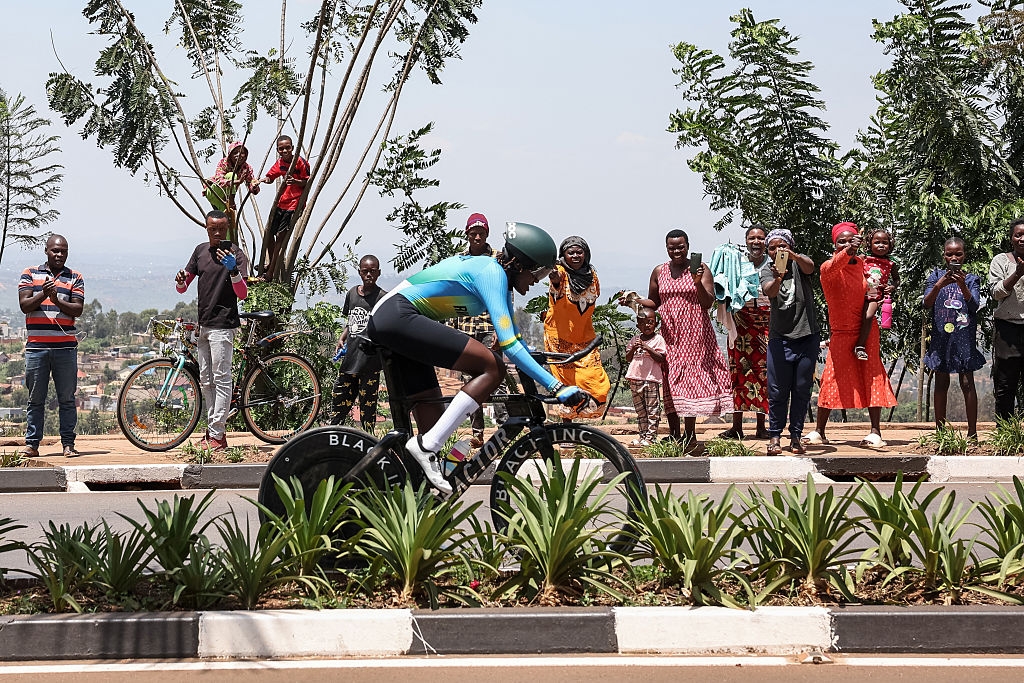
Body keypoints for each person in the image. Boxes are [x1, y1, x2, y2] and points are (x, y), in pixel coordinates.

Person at [367, 222, 588, 494]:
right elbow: (509, 346)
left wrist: (550, 362)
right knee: (491, 368)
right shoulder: (491, 273)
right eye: (537, 272)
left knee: (434, 425)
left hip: (398, 321)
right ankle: (426, 447)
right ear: (519, 264)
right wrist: (557, 387)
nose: (536, 281)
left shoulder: (501, 282)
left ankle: (420, 493)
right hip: (396, 316)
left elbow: (514, 341)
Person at [627, 229, 732, 447]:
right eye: (672, 247)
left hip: (695, 332)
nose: (676, 251)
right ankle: (675, 432)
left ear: (688, 246)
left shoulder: (702, 270)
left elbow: (707, 303)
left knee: (689, 380)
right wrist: (633, 300)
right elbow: (654, 302)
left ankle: (690, 434)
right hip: (668, 331)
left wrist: (696, 282)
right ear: (666, 248)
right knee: (668, 378)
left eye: (680, 247)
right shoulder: (659, 271)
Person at [804, 222, 897, 447]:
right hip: (841, 332)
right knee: (831, 377)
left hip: (866, 331)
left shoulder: (865, 266)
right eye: (841, 241)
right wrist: (849, 250)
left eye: (851, 240)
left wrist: (888, 289)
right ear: (834, 244)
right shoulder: (829, 267)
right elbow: (837, 263)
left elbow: (879, 283)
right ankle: (819, 431)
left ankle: (875, 432)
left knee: (872, 374)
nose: (846, 244)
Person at [175, 210, 250, 452]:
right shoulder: (200, 252)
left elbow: (243, 293)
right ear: (206, 229)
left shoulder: (237, 255)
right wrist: (180, 279)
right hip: (204, 324)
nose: (217, 233)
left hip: (223, 326)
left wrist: (234, 271)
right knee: (206, 380)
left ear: (228, 228)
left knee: (221, 379)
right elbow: (182, 287)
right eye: (212, 229)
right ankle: (213, 432)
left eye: (221, 229)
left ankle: (218, 434)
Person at [18, 235, 85, 458]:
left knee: (66, 398)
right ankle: (32, 444)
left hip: (65, 348)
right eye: (55, 250)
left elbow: (77, 309)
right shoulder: (29, 274)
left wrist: (56, 300)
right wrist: (44, 294)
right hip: (37, 348)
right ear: (46, 251)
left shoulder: (75, 277)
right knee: (36, 398)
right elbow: (24, 305)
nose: (59, 255)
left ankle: (68, 444)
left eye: (63, 251)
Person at [445, 213, 508, 447]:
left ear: (487, 234)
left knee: (496, 377)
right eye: (473, 233)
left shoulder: (498, 259)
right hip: (465, 327)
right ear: (467, 234)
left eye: (481, 232)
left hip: (490, 326)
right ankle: (477, 432)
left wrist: (502, 332)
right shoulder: (460, 260)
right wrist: (452, 329)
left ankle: (504, 429)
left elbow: (505, 293)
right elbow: (452, 294)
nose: (478, 236)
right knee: (471, 380)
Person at [759, 229, 819, 455]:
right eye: (772, 248)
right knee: (777, 390)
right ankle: (775, 436)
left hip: (806, 336)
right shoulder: (767, 270)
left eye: (781, 247)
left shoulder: (798, 264)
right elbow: (770, 292)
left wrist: (792, 256)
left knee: (802, 389)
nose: (777, 251)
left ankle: (795, 436)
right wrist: (778, 277)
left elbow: (810, 266)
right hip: (780, 338)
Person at [543, 236, 611, 421]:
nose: (575, 255)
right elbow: (555, 280)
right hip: (560, 338)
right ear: (563, 255)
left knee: (596, 379)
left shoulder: (592, 275)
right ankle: (567, 431)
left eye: (579, 252)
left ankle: (582, 426)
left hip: (584, 336)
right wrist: (554, 275)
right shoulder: (560, 272)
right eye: (570, 252)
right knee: (567, 382)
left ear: (586, 253)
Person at [923, 237, 985, 438]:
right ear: (944, 256)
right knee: (941, 383)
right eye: (949, 254)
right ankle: (940, 433)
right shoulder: (935, 277)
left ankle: (972, 433)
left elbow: (974, 305)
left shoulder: (971, 279)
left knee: (967, 383)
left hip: (964, 339)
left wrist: (962, 285)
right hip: (942, 338)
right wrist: (939, 285)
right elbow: (926, 303)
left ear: (964, 255)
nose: (954, 257)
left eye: (958, 254)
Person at [719, 226, 770, 440]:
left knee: (765, 375)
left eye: (760, 238)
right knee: (738, 372)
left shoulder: (774, 263)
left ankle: (761, 426)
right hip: (740, 322)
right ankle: (736, 426)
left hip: (768, 322)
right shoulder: (737, 264)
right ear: (746, 241)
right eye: (752, 238)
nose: (756, 242)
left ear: (765, 241)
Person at [332, 255, 387, 432]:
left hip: (370, 364)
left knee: (368, 411)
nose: (369, 274)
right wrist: (342, 338)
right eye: (365, 271)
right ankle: (331, 441)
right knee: (339, 405)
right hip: (350, 360)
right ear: (359, 272)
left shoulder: (382, 298)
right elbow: (351, 321)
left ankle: (369, 446)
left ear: (378, 273)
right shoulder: (352, 294)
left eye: (372, 271)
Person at [259, 135, 310, 280]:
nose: (285, 151)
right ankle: (270, 264)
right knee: (269, 234)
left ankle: (270, 273)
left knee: (281, 236)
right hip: (282, 202)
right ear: (278, 150)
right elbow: (271, 177)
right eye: (281, 149)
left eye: (288, 147)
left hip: (294, 205)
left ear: (293, 148)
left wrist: (296, 181)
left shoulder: (300, 162)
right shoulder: (280, 163)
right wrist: (264, 180)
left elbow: (308, 181)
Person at [988, 218, 1024, 418]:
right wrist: (1017, 274)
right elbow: (996, 293)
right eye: (1018, 234)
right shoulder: (1001, 261)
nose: (1022, 239)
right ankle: (1005, 432)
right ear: (1011, 238)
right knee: (1005, 384)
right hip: (1007, 329)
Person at [624, 307, 666, 446]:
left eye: (650, 322)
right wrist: (635, 348)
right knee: (641, 411)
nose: (647, 325)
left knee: (652, 411)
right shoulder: (635, 339)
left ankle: (651, 438)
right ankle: (642, 437)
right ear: (638, 325)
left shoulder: (658, 339)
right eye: (643, 323)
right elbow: (628, 358)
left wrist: (647, 348)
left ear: (655, 323)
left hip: (651, 379)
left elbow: (661, 358)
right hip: (635, 379)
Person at [854, 228, 899, 360]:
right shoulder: (864, 258)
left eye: (884, 242)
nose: (881, 245)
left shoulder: (891, 263)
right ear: (870, 244)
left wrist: (892, 287)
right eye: (877, 242)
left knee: (868, 316)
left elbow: (897, 279)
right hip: (857, 294)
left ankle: (860, 346)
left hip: (874, 297)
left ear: (890, 245)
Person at [205, 141, 260, 242]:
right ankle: (231, 201)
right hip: (215, 193)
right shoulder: (224, 163)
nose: (239, 155)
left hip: (225, 200)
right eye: (235, 153)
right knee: (232, 175)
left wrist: (255, 186)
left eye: (242, 152)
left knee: (228, 222)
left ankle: (229, 246)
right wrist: (237, 181)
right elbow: (219, 181)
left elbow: (251, 185)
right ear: (230, 155)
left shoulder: (246, 168)